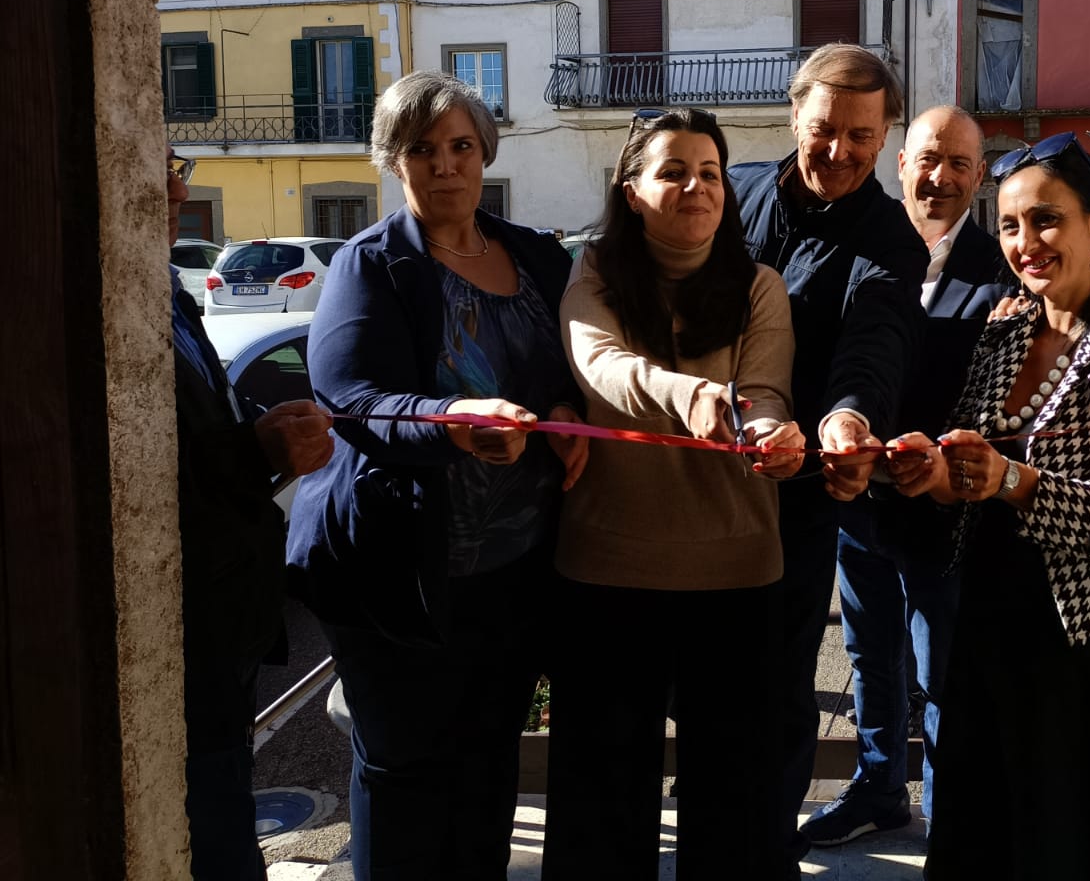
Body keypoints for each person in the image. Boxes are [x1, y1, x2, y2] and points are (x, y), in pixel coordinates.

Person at [284, 72, 588, 881]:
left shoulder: (535, 255)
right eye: (422, 149)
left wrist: (560, 409)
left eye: (460, 145)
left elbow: (570, 364)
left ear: (484, 152)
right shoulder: (370, 264)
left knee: (488, 763)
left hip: (511, 571)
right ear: (393, 160)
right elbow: (351, 398)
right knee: (406, 771)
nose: (445, 164)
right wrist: (453, 424)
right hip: (399, 569)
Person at [886, 132, 1090, 879]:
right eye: (1011, 225)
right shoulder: (1004, 330)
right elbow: (972, 477)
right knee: (973, 828)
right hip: (985, 616)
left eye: (1047, 220)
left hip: (1078, 639)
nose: (1027, 243)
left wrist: (1012, 481)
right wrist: (936, 477)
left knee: (1066, 837)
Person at [543, 107, 806, 879]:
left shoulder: (761, 286)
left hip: (736, 577)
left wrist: (770, 435)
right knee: (600, 805)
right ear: (631, 191)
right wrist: (693, 396)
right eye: (672, 171)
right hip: (604, 573)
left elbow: (766, 395)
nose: (696, 187)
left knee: (735, 806)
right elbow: (600, 364)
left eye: (711, 172)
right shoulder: (593, 270)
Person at [728, 44, 928, 869]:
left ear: (885, 138)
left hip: (792, 496)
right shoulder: (729, 188)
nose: (840, 152)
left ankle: (764, 852)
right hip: (682, 483)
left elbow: (874, 345)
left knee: (777, 690)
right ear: (793, 116)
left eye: (860, 136)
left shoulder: (892, 240)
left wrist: (849, 418)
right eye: (823, 130)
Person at [802, 105, 1010, 847]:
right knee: (869, 658)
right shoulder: (866, 246)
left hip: (945, 514)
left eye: (959, 163)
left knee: (943, 674)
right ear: (900, 164)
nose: (941, 176)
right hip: (858, 504)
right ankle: (879, 792)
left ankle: (954, 826)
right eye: (928, 158)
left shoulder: (1003, 267)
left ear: (979, 176)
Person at [165, 145, 335, 880]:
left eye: (175, 165)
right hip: (180, 639)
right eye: (155, 167)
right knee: (213, 839)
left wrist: (258, 441)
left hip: (221, 637)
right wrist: (258, 450)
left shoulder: (166, 292)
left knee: (224, 815)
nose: (174, 187)